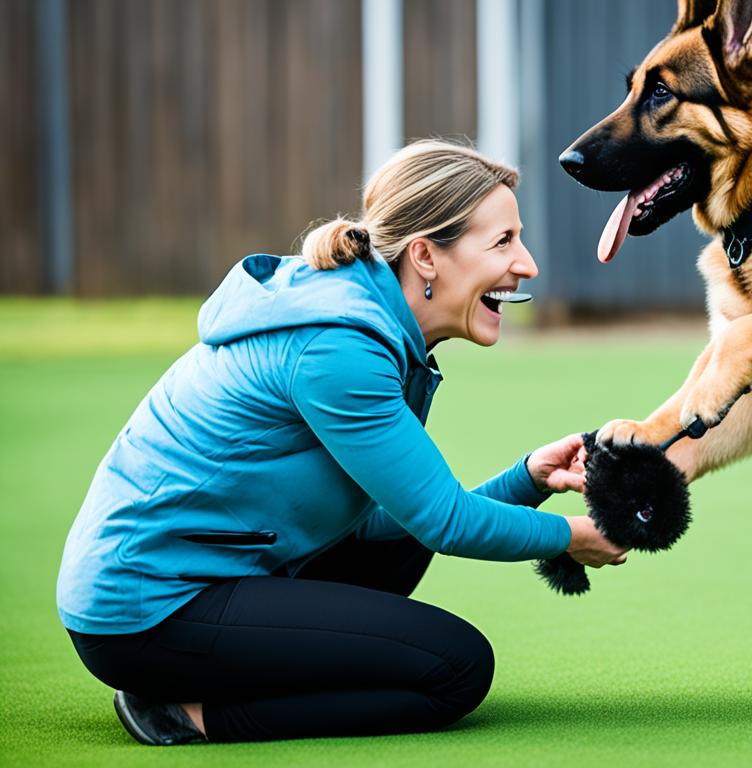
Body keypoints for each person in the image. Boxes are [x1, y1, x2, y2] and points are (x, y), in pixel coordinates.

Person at [56, 140, 627, 745]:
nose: (528, 264)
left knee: (398, 549)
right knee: (456, 670)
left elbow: (392, 524)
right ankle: (180, 713)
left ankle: (219, 677)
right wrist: (573, 535)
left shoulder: (372, 322)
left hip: (211, 579)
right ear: (426, 256)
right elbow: (445, 521)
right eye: (503, 242)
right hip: (149, 611)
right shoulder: (341, 347)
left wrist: (529, 478)